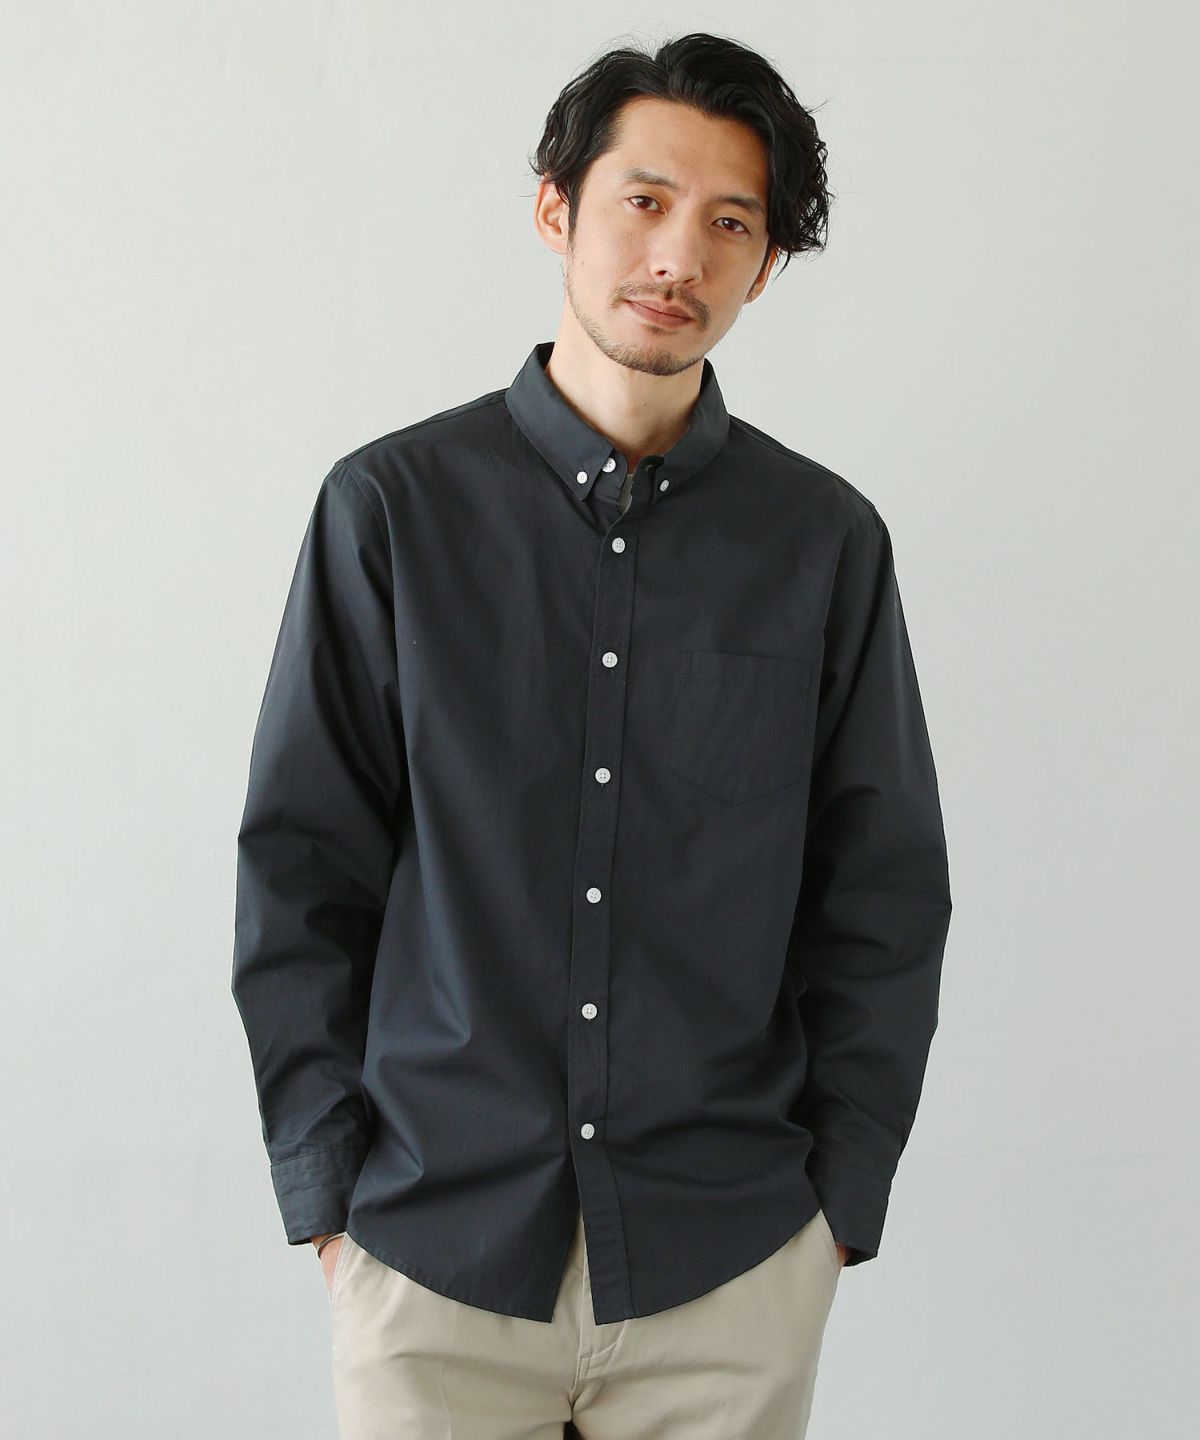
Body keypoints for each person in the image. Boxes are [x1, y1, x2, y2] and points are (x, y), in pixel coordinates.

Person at [231, 29, 952, 1439]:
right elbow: (304, 868)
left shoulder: (824, 545)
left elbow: (880, 893)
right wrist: (330, 1204)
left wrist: (838, 1209)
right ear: (556, 209)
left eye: (730, 222)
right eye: (646, 200)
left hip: (727, 1263)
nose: (680, 255)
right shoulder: (391, 512)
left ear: (766, 264)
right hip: (433, 1256)